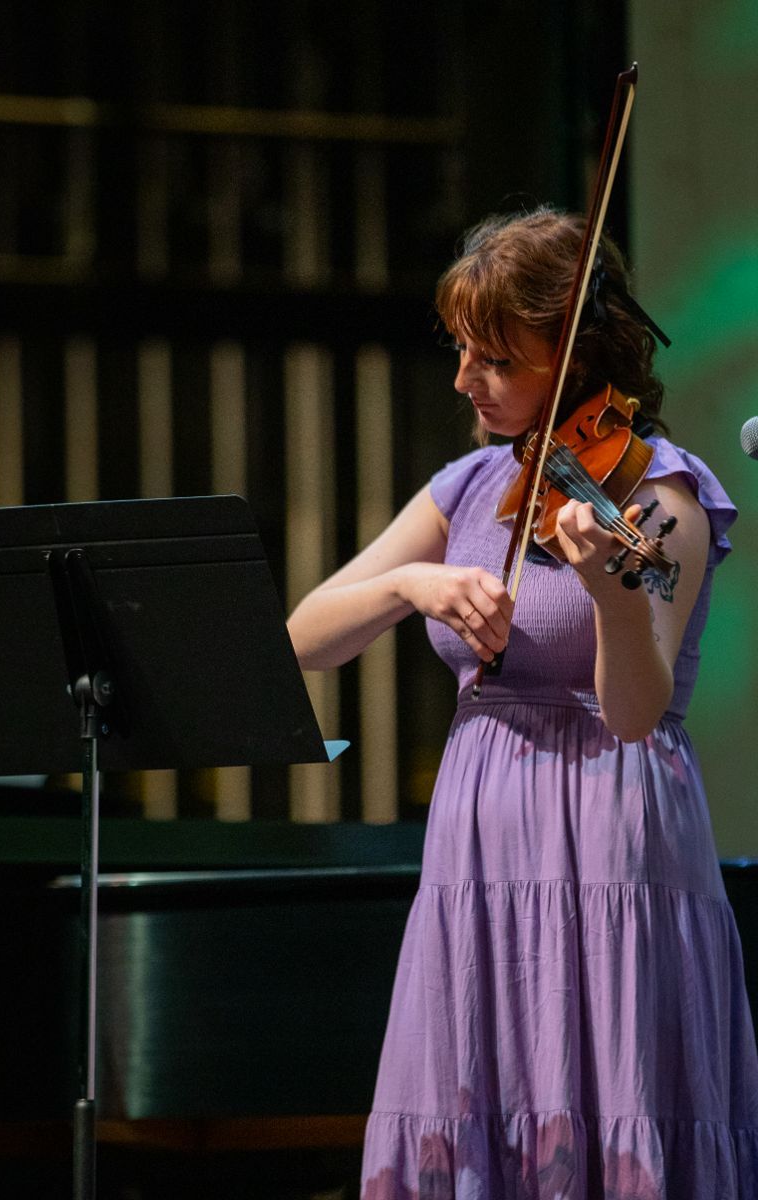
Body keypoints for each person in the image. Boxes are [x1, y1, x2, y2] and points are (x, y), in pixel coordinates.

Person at [287, 208, 758, 1198]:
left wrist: (607, 595)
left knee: (612, 1118)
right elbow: (302, 639)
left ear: (575, 358)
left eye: (496, 359)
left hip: (609, 843)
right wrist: (407, 586)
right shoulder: (467, 486)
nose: (466, 379)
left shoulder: (661, 495)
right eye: (462, 350)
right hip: (479, 856)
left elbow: (634, 715)